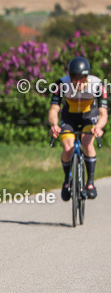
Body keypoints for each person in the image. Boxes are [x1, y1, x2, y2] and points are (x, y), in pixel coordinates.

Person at [48, 56, 107, 200]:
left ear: (86, 77)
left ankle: (90, 183)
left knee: (87, 142)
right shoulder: (62, 84)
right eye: (73, 77)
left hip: (89, 116)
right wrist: (54, 125)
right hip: (69, 117)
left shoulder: (98, 85)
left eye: (81, 78)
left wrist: (98, 127)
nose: (77, 82)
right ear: (69, 75)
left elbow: (103, 113)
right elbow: (54, 109)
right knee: (68, 148)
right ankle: (67, 181)